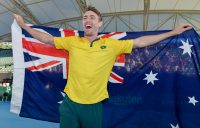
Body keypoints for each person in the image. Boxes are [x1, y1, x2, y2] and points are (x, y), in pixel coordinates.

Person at [13, 6, 192, 128]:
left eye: (92, 17)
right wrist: (22, 25)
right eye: (85, 17)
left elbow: (140, 42)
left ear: (100, 23)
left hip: (94, 106)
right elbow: (47, 39)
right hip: (70, 104)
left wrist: (173, 32)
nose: (87, 20)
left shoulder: (112, 45)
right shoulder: (72, 42)